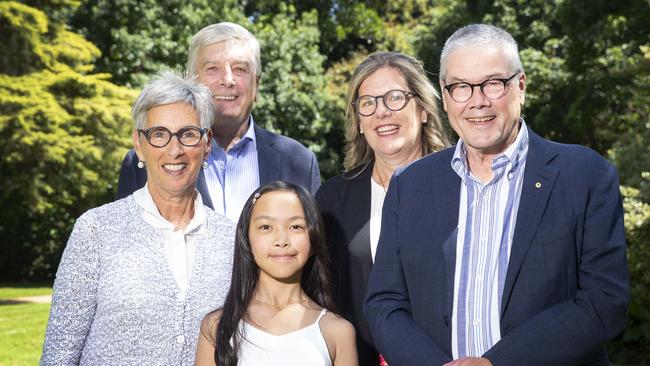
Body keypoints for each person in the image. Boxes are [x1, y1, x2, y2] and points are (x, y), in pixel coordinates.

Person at [364, 24, 629, 366]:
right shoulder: (410, 185)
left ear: (520, 86)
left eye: (493, 83)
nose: (478, 101)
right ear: (445, 97)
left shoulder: (585, 175)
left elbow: (604, 300)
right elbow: (385, 303)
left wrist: (497, 363)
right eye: (460, 87)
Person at [40, 72, 235, 366]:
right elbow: (59, 354)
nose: (175, 149)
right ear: (138, 144)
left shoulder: (231, 238)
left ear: (207, 143)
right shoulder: (96, 230)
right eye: (159, 134)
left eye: (188, 134)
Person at [315, 51, 450, 365]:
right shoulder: (333, 199)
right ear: (359, 121)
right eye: (368, 103)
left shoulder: (463, 186)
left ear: (424, 110)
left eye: (395, 98)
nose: (382, 113)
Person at [117, 22, 321, 223]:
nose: (228, 79)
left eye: (240, 69)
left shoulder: (299, 162)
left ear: (256, 85)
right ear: (191, 82)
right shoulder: (145, 164)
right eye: (212, 68)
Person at [195, 181, 358, 366]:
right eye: (266, 227)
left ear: (313, 239)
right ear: (247, 240)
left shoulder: (337, 331)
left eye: (296, 227)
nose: (281, 240)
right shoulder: (217, 327)